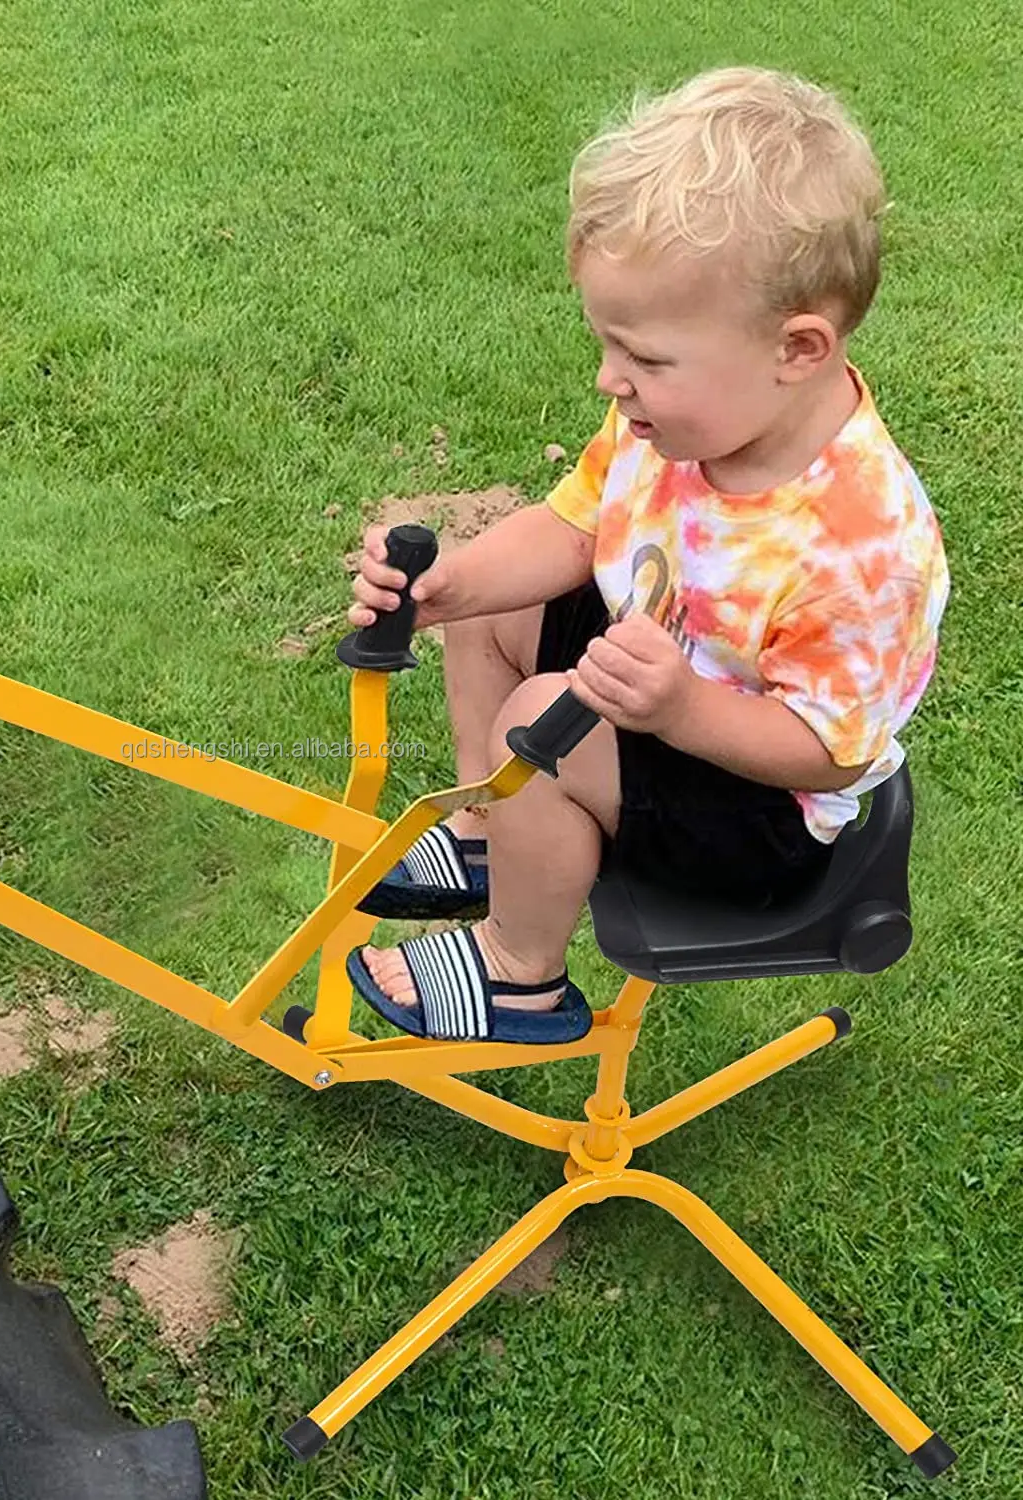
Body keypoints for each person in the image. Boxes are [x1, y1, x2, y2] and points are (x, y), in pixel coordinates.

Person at [344, 66, 949, 1045]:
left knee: (547, 716)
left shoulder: (863, 545)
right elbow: (578, 528)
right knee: (497, 604)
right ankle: (488, 836)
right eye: (610, 347)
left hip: (762, 817)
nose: (608, 379)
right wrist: (451, 587)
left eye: (647, 358)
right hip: (660, 681)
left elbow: (834, 758)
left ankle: (518, 971)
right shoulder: (670, 422)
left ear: (797, 349)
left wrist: (680, 707)